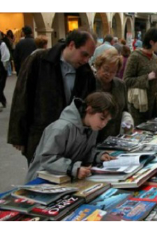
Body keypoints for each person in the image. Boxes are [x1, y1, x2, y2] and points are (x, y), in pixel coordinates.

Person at [8, 29, 97, 164]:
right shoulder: (39, 61)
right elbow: (22, 96)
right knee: (40, 178)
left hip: (71, 140)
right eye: (84, 54)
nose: (86, 60)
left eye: (89, 57)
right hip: (41, 134)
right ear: (71, 45)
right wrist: (18, 136)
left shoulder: (86, 72)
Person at [25, 92, 118, 182]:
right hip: (42, 180)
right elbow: (47, 158)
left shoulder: (92, 128)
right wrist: (73, 169)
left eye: (107, 121)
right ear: (89, 109)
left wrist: (98, 156)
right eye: (102, 118)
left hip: (66, 178)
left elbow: (84, 152)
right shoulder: (61, 128)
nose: (103, 124)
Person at [123, 28, 157, 125]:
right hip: (139, 105)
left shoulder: (154, 57)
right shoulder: (135, 57)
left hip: (154, 105)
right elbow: (126, 80)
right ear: (151, 42)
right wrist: (146, 78)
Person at [94, 48, 133, 142]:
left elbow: (125, 109)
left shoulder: (120, 85)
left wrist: (127, 123)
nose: (108, 74)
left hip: (116, 136)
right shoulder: (90, 83)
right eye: (106, 69)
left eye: (113, 72)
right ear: (99, 66)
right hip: (95, 137)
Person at [0, 32, 10, 109]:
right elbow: (6, 56)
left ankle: (2, 100)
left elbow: (5, 57)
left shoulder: (2, 44)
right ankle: (2, 100)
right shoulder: (2, 44)